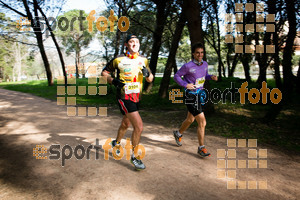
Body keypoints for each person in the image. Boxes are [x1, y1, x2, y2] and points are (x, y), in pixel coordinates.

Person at [101, 34, 153, 170]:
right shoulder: (118, 59)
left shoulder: (144, 60)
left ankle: (116, 143)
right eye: (131, 41)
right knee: (139, 127)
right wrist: (113, 81)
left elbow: (150, 78)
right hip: (124, 96)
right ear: (126, 45)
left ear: (139, 45)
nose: (134, 44)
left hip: (137, 97)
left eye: (137, 41)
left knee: (126, 123)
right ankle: (135, 157)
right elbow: (104, 73)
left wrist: (148, 75)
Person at [173, 43, 217, 157]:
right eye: (197, 52)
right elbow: (176, 76)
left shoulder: (205, 64)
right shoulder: (188, 66)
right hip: (190, 95)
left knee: (190, 119)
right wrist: (185, 84)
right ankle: (201, 148)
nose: (200, 55)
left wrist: (210, 76)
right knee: (202, 121)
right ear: (193, 53)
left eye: (202, 52)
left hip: (199, 95)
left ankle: (178, 133)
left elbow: (204, 76)